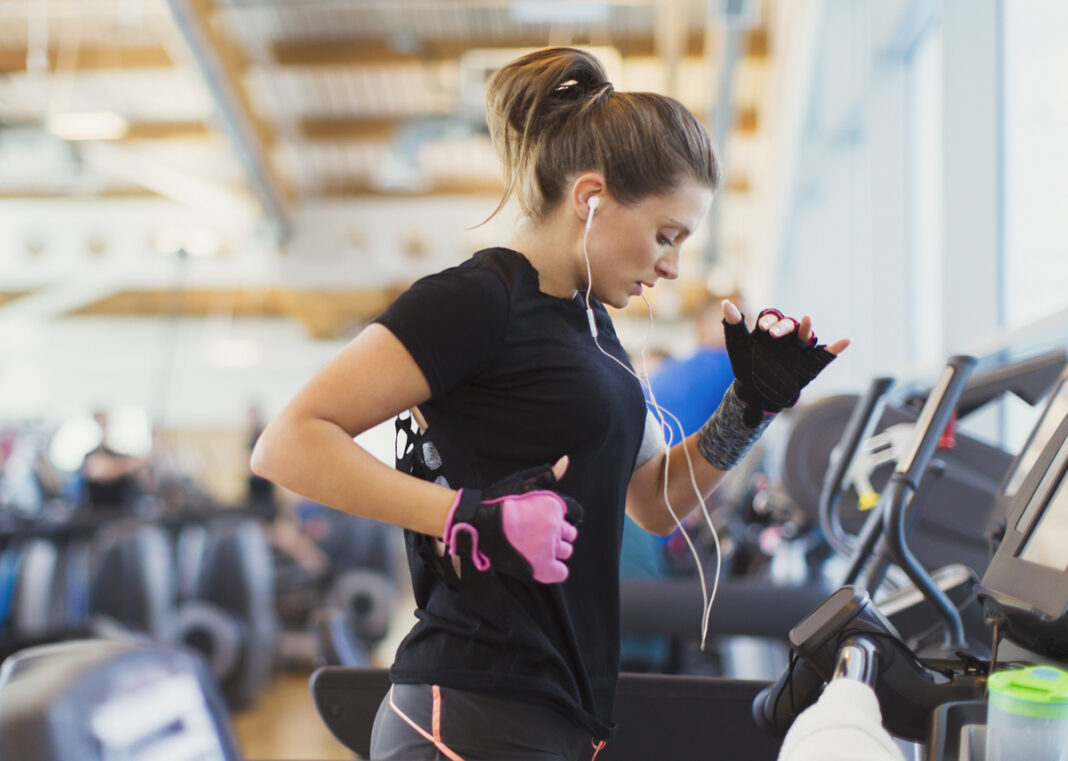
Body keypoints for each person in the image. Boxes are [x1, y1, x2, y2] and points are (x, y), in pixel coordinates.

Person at [252, 47, 849, 761]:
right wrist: (468, 517)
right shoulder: (478, 300)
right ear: (591, 197)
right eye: (666, 235)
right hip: (467, 709)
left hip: (560, 711)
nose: (673, 265)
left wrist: (750, 405)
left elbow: (652, 503)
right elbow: (287, 443)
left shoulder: (594, 327)